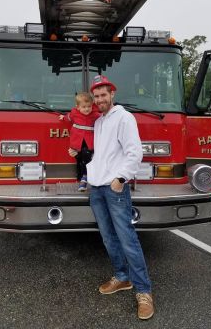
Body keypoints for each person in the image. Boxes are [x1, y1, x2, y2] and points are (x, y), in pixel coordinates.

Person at [86, 75, 154, 320]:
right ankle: (122, 277)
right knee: (108, 237)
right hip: (97, 188)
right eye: (96, 96)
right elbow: (103, 154)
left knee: (128, 239)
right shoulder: (100, 122)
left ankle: (144, 292)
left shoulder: (124, 117)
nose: (100, 99)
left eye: (104, 95)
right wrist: (92, 175)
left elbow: (135, 152)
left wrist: (120, 179)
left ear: (112, 94)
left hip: (114, 188)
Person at [59, 92, 100, 191]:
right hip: (76, 142)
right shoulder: (74, 113)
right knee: (79, 160)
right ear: (78, 107)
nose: (86, 109)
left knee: (87, 159)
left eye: (89, 106)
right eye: (84, 107)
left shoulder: (96, 115)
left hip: (89, 143)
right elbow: (68, 118)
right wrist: (62, 118)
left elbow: (105, 119)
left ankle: (85, 178)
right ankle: (80, 178)